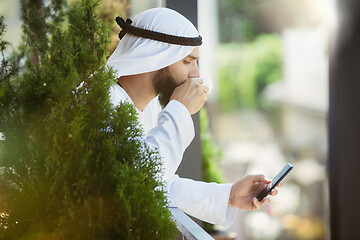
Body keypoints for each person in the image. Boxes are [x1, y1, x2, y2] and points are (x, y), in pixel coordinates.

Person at [107, 8, 278, 227]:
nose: (195, 74)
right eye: (188, 61)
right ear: (156, 57)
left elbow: (160, 183)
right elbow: (140, 182)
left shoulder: (147, 106)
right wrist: (179, 109)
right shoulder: (103, 102)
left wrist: (231, 194)